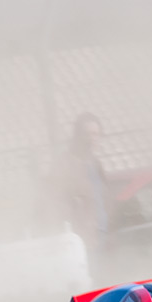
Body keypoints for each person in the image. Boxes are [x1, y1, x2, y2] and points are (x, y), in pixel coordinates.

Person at [57, 112, 112, 270]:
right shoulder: (66, 163)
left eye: (95, 133)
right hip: (83, 240)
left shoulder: (95, 163)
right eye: (87, 134)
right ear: (78, 136)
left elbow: (104, 197)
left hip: (102, 234)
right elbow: (58, 200)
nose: (92, 138)